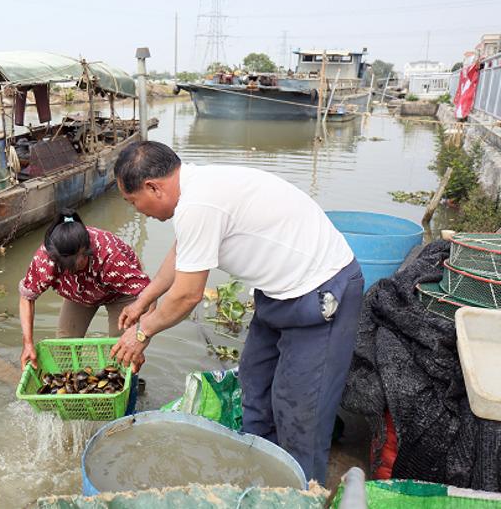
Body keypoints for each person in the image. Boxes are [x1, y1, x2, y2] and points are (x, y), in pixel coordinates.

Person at [109, 141, 364, 484]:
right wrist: (145, 298)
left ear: (154, 187)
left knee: (301, 412)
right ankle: (260, 476)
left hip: (320, 292)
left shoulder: (198, 202)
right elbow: (185, 249)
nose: (138, 211)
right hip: (277, 294)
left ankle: (302, 492)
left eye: (133, 201)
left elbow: (187, 296)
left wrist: (142, 333)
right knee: (255, 386)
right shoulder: (192, 189)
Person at [18, 209, 150, 371]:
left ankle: (130, 387)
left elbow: (148, 294)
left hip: (120, 294)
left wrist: (139, 334)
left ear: (87, 252)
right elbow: (27, 297)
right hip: (78, 294)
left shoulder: (109, 256)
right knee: (64, 348)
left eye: (74, 267)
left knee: (124, 350)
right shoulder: (46, 258)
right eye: (63, 268)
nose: (67, 272)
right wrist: (28, 343)